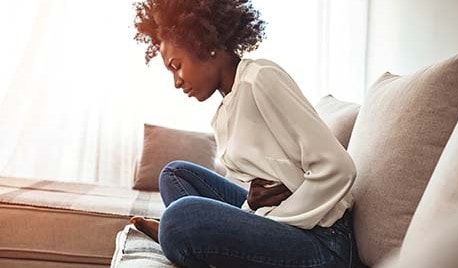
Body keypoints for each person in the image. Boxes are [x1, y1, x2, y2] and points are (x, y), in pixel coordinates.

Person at [130, 0, 359, 267]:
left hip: (323, 240)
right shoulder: (225, 108)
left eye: (177, 65)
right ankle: (193, 245)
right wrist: (250, 207)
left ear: (206, 45)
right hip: (282, 221)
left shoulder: (261, 78)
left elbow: (339, 168)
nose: (177, 82)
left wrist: (261, 220)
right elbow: (265, 187)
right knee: (175, 174)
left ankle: (183, 241)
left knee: (179, 219)